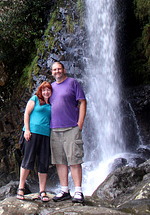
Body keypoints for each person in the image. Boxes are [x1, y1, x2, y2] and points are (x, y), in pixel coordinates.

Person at [50, 61, 87, 203]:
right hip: (55, 129)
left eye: (59, 69)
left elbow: (82, 102)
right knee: (60, 161)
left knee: (74, 160)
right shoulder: (51, 88)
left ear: (64, 70)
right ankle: (64, 190)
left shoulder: (73, 83)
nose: (57, 71)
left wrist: (80, 123)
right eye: (54, 69)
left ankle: (78, 191)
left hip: (71, 128)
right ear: (52, 72)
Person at [17, 81, 52, 202]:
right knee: (28, 159)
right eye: (44, 90)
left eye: (48, 90)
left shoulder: (52, 104)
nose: (46, 92)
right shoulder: (35, 99)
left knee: (43, 162)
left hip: (46, 135)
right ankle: (21, 188)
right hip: (31, 133)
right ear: (40, 91)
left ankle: (42, 191)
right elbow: (26, 113)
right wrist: (27, 130)